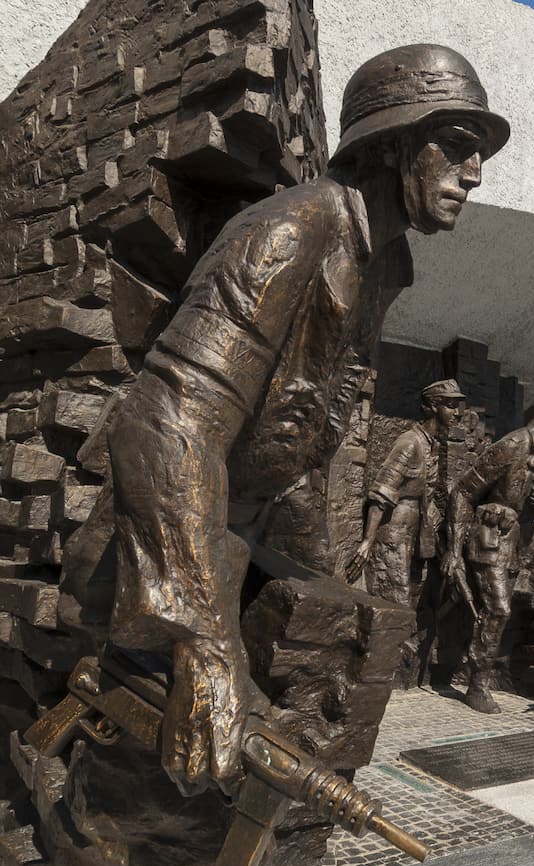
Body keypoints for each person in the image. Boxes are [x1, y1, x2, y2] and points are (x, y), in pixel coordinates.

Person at [60, 44, 510, 795]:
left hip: (240, 537)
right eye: (458, 149)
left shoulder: (385, 262)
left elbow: (307, 427)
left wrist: (317, 581)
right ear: (393, 144)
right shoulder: (292, 230)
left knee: (330, 693)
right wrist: (203, 640)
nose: (475, 174)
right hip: (160, 554)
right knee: (172, 789)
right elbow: (168, 420)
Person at [441, 384, 534, 713]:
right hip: (487, 536)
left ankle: (476, 674)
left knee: (497, 611)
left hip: (514, 542)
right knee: (498, 609)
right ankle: (477, 685)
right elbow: (462, 492)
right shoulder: (516, 443)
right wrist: (453, 547)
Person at [345, 379, 465, 604]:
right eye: (450, 405)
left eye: (457, 406)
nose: (457, 413)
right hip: (394, 535)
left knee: (411, 602)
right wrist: (367, 543)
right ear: (432, 407)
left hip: (415, 535)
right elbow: (381, 494)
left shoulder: (432, 445)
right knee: (395, 603)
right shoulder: (410, 444)